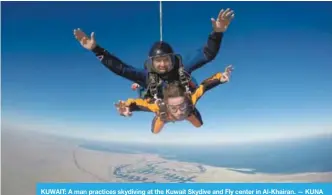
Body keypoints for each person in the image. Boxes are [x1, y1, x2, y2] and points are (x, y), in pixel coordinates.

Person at [73, 8, 235, 100]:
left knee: (191, 108)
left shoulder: (182, 68)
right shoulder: (147, 75)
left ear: (173, 59)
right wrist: (96, 49)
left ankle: (143, 90)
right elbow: (121, 69)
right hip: (159, 97)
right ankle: (141, 89)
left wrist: (217, 33)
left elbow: (207, 54)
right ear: (151, 62)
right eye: (158, 61)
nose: (163, 64)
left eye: (166, 60)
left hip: (182, 97)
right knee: (146, 92)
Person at [115, 65, 234, 134]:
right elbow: (138, 103)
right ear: (167, 105)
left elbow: (204, 86)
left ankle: (183, 109)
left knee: (198, 125)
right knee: (155, 131)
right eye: (174, 108)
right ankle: (164, 114)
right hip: (165, 114)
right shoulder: (160, 107)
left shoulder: (189, 100)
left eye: (181, 106)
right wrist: (126, 107)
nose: (179, 112)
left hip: (185, 110)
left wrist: (220, 78)